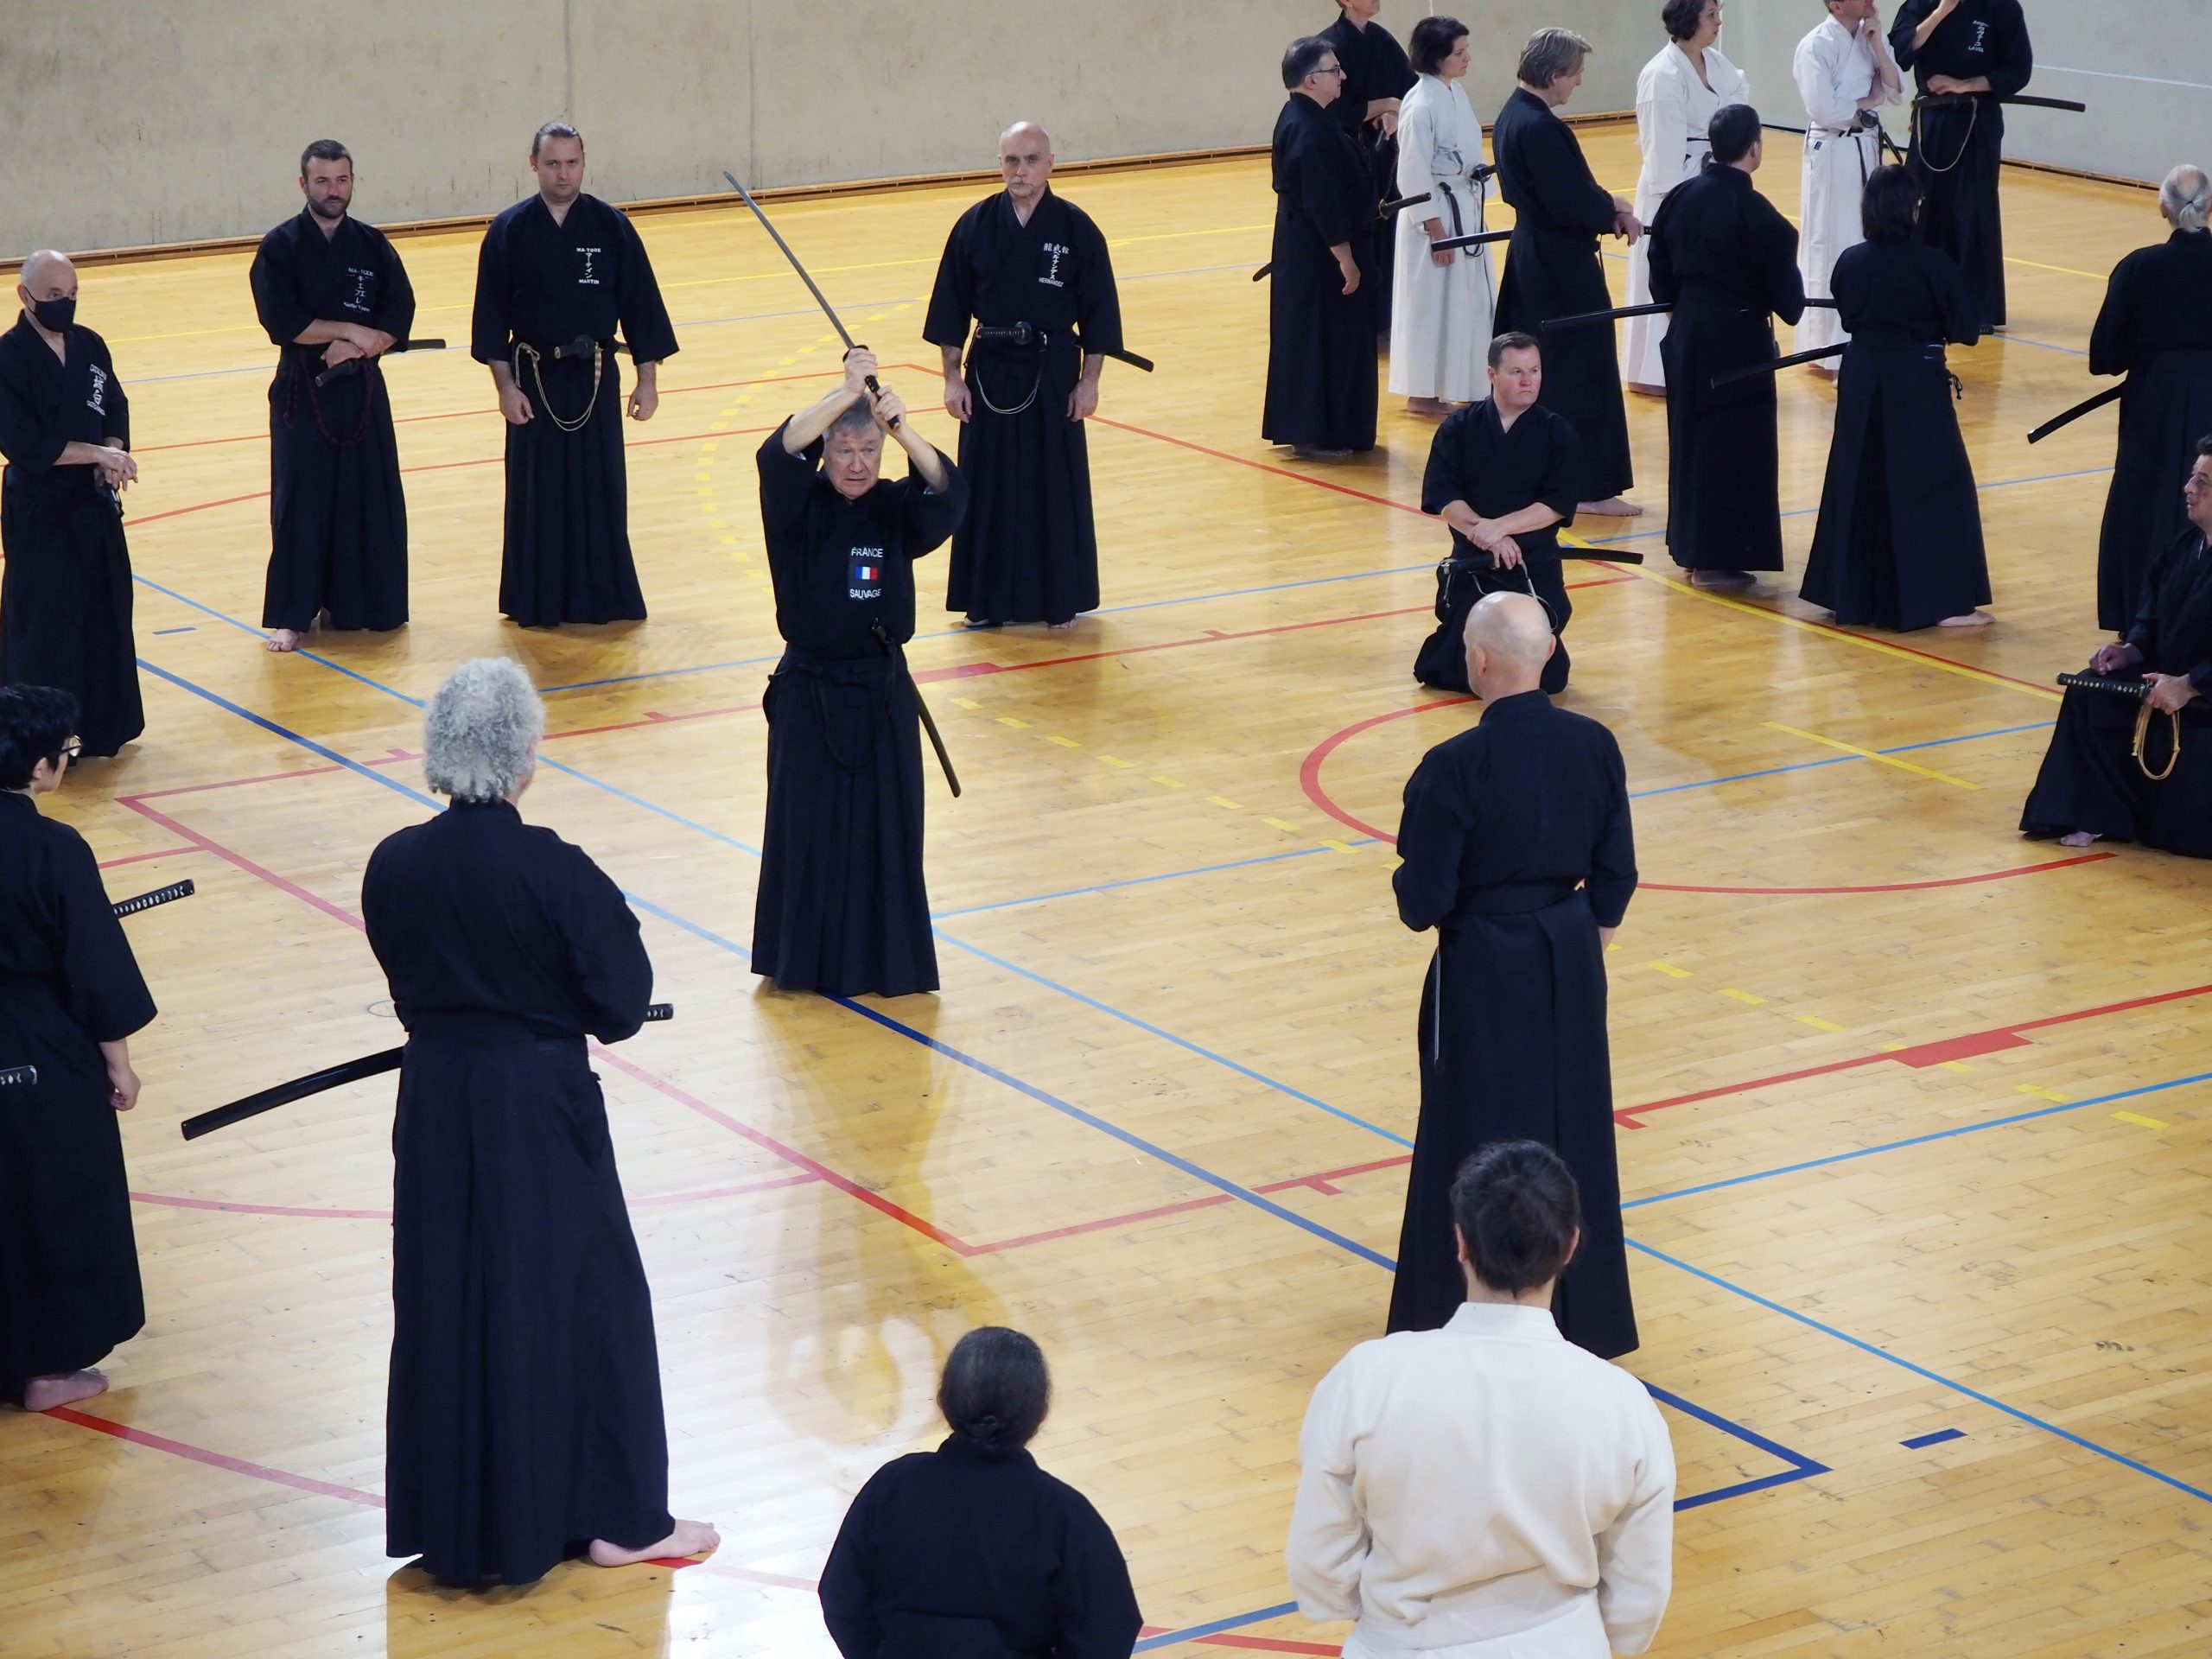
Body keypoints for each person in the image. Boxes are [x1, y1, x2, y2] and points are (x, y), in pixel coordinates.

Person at [362, 659, 717, 1585]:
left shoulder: (393, 863)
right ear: (525, 756)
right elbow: (621, 1005)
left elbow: (408, 984)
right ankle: (615, 1519)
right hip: (537, 1105)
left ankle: (461, 1519)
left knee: (448, 1294)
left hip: (437, 1099)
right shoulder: (558, 872)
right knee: (584, 1297)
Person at [1292, 1142, 1675, 1659]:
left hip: (1405, 1642)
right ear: (1570, 1246)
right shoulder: (1622, 1401)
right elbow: (1639, 1590)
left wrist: (1385, 1619)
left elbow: (1320, 1555)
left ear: (1461, 1243)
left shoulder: (1368, 1377)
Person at [1387, 592, 1639, 1357]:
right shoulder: (1594, 744)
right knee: (1575, 1126)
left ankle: (1453, 1306)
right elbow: (1617, 875)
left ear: (1479, 659)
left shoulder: (1453, 766)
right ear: (1548, 653)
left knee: (1471, 1127)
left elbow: (1422, 903)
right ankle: (1583, 1315)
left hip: (1483, 961)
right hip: (1570, 949)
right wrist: (1576, 942)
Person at [753, 352, 968, 998]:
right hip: (810, 692)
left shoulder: (895, 506)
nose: (856, 464)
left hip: (881, 693)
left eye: (868, 450)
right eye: (844, 450)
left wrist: (902, 429)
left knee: (888, 833)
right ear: (825, 453)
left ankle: (887, 963)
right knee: (807, 831)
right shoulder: (796, 505)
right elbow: (775, 453)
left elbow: (950, 493)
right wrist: (845, 393)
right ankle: (803, 963)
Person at [0, 685, 155, 1414]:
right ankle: (44, 1368)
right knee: (49, 1200)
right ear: (39, 767)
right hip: (36, 1046)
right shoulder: (54, 849)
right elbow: (93, 969)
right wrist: (118, 1062)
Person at [819, 1326, 1144, 1658]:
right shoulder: (1063, 1514)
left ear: (943, 1402)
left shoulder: (893, 1485)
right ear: (1040, 1414)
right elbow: (1108, 1630)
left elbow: (841, 1598)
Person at [471, 122, 679, 627]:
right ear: (533, 164)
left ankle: (601, 598)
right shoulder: (509, 231)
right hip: (532, 376)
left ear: (584, 162)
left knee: (599, 487)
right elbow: (490, 319)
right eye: (552, 164)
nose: (563, 174)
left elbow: (641, 307)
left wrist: (647, 381)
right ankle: (536, 600)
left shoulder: (611, 227)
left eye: (572, 163)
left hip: (595, 376)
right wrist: (505, 388)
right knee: (536, 493)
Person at [924, 122, 1122, 631]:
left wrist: (1089, 382)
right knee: (987, 485)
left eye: (1032, 160)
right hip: (989, 371)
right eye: (1011, 160)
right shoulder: (974, 225)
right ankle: (986, 602)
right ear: (999, 164)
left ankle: (1059, 598)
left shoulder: (1076, 229)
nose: (1021, 171)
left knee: (1052, 484)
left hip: (1053, 371)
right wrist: (952, 379)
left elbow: (1100, 315)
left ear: (1051, 163)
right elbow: (950, 311)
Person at [1799, 165, 1991, 630]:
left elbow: (1848, 315)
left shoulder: (1851, 261)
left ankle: (1847, 593)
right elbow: (1966, 327)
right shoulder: (1934, 265)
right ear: (1911, 210)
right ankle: (1941, 601)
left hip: (1862, 377)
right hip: (1915, 381)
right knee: (1932, 484)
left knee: (1857, 479)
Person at [250, 139, 416, 652]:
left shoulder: (371, 245)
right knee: (302, 503)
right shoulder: (280, 247)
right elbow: (283, 322)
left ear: (352, 182)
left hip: (361, 390)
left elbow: (399, 312)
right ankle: (292, 615)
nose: (333, 190)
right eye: (322, 181)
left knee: (368, 496)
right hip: (303, 392)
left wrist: (363, 346)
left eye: (342, 180)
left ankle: (362, 605)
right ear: (304, 184)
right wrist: (347, 331)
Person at [2022, 438, 2212, 857]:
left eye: (2203, 482)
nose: (2188, 489)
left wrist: (2190, 684)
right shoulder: (2185, 547)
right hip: (2167, 681)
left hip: (2203, 695)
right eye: (2192, 477)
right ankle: (2097, 814)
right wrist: (2131, 650)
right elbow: (2153, 617)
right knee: (2091, 691)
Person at [1647, 105, 1806, 586]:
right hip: (1738, 340)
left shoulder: (1680, 197)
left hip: (1687, 331)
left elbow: (1659, 269)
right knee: (1733, 447)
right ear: (1754, 148)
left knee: (1692, 441)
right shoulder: (1762, 217)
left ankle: (1692, 548)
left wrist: (1682, 313)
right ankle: (1719, 558)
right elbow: (1791, 304)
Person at [0, 252, 144, 758]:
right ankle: (41, 738)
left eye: (73, 294)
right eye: (54, 296)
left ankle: (103, 726)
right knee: (47, 621)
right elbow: (22, 441)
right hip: (40, 509)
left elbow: (115, 407)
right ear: (26, 297)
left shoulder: (90, 345)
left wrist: (113, 451)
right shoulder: (9, 357)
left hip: (93, 503)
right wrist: (97, 454)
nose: (66, 304)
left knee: (104, 610)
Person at [1492, 30, 1643, 517]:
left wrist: (1607, 203)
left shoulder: (1511, 115)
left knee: (1545, 369)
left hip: (1533, 253)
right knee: (1581, 370)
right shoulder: (1541, 127)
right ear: (1555, 73)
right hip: (1559, 263)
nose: (1578, 82)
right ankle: (1586, 487)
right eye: (1576, 73)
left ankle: (1541, 477)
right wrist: (1612, 210)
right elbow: (1569, 200)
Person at [1414, 334, 1582, 696]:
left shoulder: (1557, 432)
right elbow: (1444, 496)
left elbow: (1557, 503)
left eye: (1535, 371)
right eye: (1516, 372)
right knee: (1447, 670)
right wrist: (1487, 538)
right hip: (1475, 561)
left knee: (1548, 679)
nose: (1528, 381)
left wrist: (1501, 528)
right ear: (1492, 374)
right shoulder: (1459, 427)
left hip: (1532, 563)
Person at [2088, 166, 2212, 632]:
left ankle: (2138, 616)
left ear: (2163, 208)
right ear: (2210, 207)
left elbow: (2104, 357)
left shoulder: (2139, 268)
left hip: (2152, 401)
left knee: (2146, 502)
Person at [1622, 0, 1751, 396]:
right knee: (1669, 272)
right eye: (1711, 15)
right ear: (1689, 19)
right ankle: (1655, 373)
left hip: (1715, 179)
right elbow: (1661, 152)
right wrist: (1680, 207)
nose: (1718, 21)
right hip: (1676, 187)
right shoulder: (1661, 74)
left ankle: (1706, 361)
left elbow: (1739, 109)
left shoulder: (1718, 64)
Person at [1264, 37, 1380, 461]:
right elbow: (1321, 200)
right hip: (1319, 256)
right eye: (1334, 70)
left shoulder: (1311, 118)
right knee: (1320, 339)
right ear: (1311, 80)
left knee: (1328, 337)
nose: (1342, 76)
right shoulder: (1307, 127)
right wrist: (1345, 257)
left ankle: (1331, 428)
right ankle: (1316, 432)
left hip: (1312, 248)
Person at [1890, 0, 2032, 329]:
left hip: (1978, 118)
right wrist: (1941, 12)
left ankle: (1975, 308)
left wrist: (1967, 85)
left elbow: (2019, 69)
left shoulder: (2002, 7)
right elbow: (1899, 52)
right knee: (1922, 208)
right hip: (1933, 120)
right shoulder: (1922, 4)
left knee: (1973, 210)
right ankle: (1919, 297)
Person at [1389, 16, 1497, 415]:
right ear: (1436, 57)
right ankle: (1422, 394)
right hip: (1436, 217)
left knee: (1466, 302)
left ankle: (1463, 383)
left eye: (1467, 50)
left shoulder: (1455, 93)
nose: (1467, 58)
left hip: (1464, 205)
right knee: (1431, 304)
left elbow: (1469, 151)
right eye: (1459, 53)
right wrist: (1437, 231)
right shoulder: (1420, 104)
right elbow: (1413, 174)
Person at [1793, 0, 1904, 375]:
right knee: (1831, 240)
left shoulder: (1870, 35)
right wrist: (1868, 100)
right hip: (1833, 150)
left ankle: (1862, 337)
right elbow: (1824, 108)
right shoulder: (1816, 45)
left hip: (1865, 146)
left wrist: (1877, 46)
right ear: (1837, 5)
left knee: (1864, 237)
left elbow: (1895, 89)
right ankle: (1824, 345)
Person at [1322, 0, 1415, 340]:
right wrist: (1385, 105)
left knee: (1389, 233)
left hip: (1386, 153)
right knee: (1362, 230)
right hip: (1351, 154)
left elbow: (1409, 86)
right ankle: (1357, 319)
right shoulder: (1330, 45)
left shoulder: (1381, 39)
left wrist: (1395, 112)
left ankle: (1386, 318)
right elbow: (1335, 107)